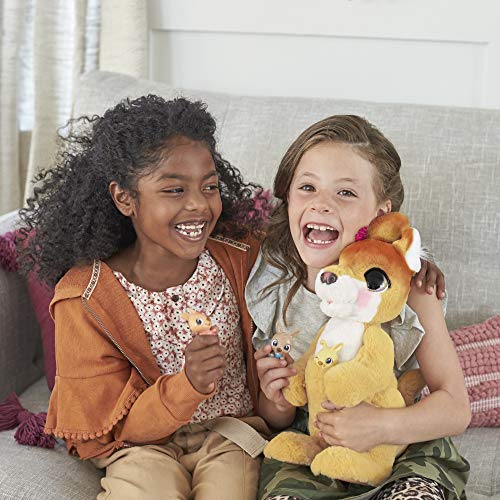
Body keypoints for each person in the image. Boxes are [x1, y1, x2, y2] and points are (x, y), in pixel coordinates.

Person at [17, 95, 271, 500]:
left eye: (209, 187)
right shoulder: (85, 299)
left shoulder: (240, 256)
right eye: (174, 189)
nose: (199, 204)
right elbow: (113, 429)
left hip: (230, 434)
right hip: (139, 446)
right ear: (125, 198)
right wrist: (187, 385)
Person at [247, 115, 471, 500]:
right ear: (288, 200)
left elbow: (455, 409)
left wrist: (381, 426)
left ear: (381, 215)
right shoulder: (273, 283)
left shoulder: (410, 290)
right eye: (307, 187)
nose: (321, 203)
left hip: (401, 443)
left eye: (345, 193)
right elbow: (277, 417)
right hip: (314, 443)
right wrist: (275, 398)